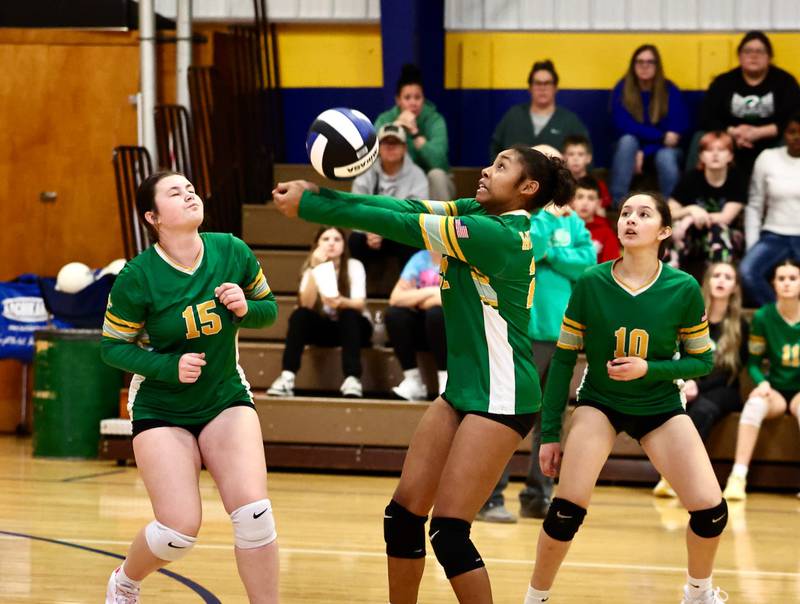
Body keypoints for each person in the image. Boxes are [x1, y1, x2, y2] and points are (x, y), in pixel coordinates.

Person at [272, 144, 575, 604]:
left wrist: (315, 205)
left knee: (450, 534)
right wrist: (322, 193)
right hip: (465, 391)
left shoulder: (496, 235)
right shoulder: (476, 210)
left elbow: (402, 225)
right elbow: (408, 206)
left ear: (527, 188)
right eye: (490, 160)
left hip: (503, 395)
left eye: (501, 167)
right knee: (403, 517)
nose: (486, 170)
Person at [525, 192, 727, 604]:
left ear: (664, 231)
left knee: (711, 511)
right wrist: (549, 433)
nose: (631, 220)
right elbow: (563, 361)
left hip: (661, 407)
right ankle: (535, 598)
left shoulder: (684, 288)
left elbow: (702, 361)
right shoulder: (590, 282)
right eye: (625, 213)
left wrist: (650, 369)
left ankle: (697, 593)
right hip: (600, 402)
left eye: (644, 214)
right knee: (566, 511)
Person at [100, 171, 279, 604]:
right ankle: (125, 579)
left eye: (192, 189)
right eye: (175, 193)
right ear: (153, 217)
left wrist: (244, 308)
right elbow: (112, 349)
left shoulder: (231, 250)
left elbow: (269, 310)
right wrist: (167, 365)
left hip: (224, 399)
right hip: (162, 408)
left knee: (255, 515)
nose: (189, 195)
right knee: (178, 531)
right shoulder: (137, 276)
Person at [478, 163, 596, 523]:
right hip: (524, 330)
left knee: (551, 419)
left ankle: (536, 495)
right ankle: (490, 497)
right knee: (508, 414)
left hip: (562, 334)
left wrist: (556, 255)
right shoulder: (528, 218)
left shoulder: (574, 222)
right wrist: (553, 240)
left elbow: (588, 262)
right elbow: (535, 247)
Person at [654, 262, 749, 498]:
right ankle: (672, 475)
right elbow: (680, 355)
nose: (721, 280)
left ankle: (674, 477)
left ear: (735, 287)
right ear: (707, 281)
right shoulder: (693, 316)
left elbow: (733, 371)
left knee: (704, 408)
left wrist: (699, 385)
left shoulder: (740, 325)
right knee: (676, 410)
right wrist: (685, 382)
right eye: (716, 275)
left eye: (728, 277)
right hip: (689, 383)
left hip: (724, 388)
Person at [722, 259, 800, 501]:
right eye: (782, 279)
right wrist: (762, 383)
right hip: (775, 389)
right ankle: (738, 477)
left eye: (793, 278)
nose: (787, 284)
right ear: (773, 284)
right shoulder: (764, 317)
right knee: (755, 404)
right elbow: (754, 364)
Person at [267, 226, 372, 398]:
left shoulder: (354, 266)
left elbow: (359, 304)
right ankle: (287, 377)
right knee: (299, 315)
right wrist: (315, 269)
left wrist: (340, 302)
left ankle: (353, 378)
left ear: (344, 245)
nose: (331, 243)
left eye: (337, 239)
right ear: (317, 244)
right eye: (325, 239)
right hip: (324, 328)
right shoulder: (311, 269)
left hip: (354, 328)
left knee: (349, 313)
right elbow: (306, 304)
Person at [700, 30, 800, 182]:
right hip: (732, 139)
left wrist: (760, 132)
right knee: (699, 138)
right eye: (748, 51)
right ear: (739, 56)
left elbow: (794, 116)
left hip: (773, 138)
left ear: (769, 57)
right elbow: (707, 115)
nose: (754, 55)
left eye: (760, 51)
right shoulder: (723, 82)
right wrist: (733, 132)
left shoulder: (785, 82)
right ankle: (695, 192)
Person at [348, 124, 428, 293]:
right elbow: (355, 210)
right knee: (355, 240)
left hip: (399, 233)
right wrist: (370, 230)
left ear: (405, 147)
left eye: (395, 143)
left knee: (413, 241)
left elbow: (417, 214)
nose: (390, 147)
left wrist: (385, 229)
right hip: (371, 233)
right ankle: (359, 291)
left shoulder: (417, 175)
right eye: (386, 143)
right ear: (378, 148)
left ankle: (407, 291)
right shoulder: (365, 173)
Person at [609, 45, 689, 205]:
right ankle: (617, 204)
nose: (644, 66)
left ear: (657, 65)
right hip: (633, 149)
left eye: (650, 62)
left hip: (663, 151)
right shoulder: (623, 88)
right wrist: (659, 136)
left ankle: (672, 209)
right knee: (627, 141)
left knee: (665, 155)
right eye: (639, 62)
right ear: (633, 66)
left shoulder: (669, 90)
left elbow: (675, 134)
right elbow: (623, 125)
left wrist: (644, 152)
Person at [739, 112, 800, 306]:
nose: (797, 137)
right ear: (784, 134)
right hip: (773, 236)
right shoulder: (768, 158)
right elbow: (754, 206)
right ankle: (780, 318)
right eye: (792, 132)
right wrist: (752, 246)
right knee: (747, 271)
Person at [668, 131, 747, 279]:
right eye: (709, 150)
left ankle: (716, 283)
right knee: (676, 228)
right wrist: (691, 209)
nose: (715, 155)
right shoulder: (691, 178)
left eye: (721, 150)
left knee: (718, 229)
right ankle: (673, 282)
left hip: (729, 236)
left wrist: (691, 218)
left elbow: (725, 217)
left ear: (730, 156)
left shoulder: (736, 179)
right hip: (696, 236)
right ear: (701, 156)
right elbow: (670, 211)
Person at [375, 63, 455, 201]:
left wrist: (415, 134)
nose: (413, 103)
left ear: (423, 99)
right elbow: (372, 157)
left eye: (417, 98)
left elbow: (440, 162)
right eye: (407, 98)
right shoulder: (385, 119)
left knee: (437, 175)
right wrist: (395, 131)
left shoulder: (435, 119)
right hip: (397, 181)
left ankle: (444, 221)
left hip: (430, 185)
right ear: (398, 100)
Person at [490, 60, 589, 161]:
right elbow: (495, 151)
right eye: (537, 83)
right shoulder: (513, 116)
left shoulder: (570, 121)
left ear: (555, 88)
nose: (542, 88)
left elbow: (585, 159)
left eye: (547, 83)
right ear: (530, 88)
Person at [385, 250, 447, 400]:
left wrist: (416, 297)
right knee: (394, 314)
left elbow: (450, 300)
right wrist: (432, 292)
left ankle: (446, 380)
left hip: (452, 329)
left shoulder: (459, 259)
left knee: (436, 313)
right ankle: (413, 381)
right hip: (424, 328)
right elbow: (396, 298)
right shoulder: (420, 258)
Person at [572, 176, 621, 263]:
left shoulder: (606, 233)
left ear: (598, 203)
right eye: (580, 197)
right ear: (572, 201)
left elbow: (610, 267)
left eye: (590, 198)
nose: (585, 203)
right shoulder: (562, 226)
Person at [562, 135, 612, 210]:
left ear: (588, 158)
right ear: (563, 157)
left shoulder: (599, 184)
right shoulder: (559, 183)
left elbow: (602, 213)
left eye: (580, 154)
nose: (575, 158)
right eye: (571, 154)